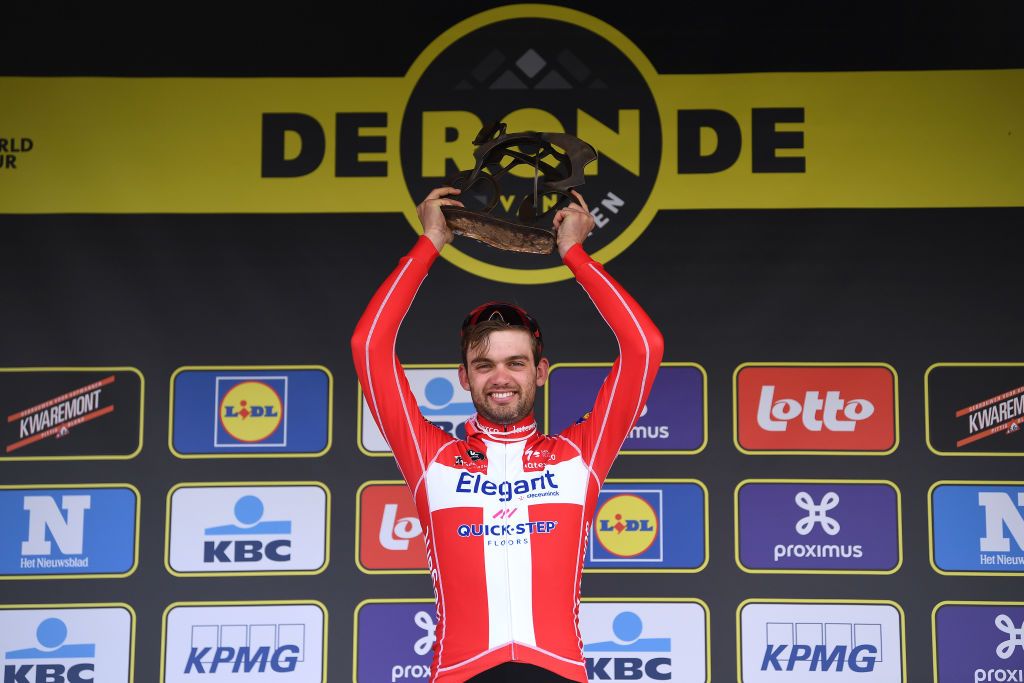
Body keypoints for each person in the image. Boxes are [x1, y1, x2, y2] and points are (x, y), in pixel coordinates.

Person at [351, 187, 663, 682]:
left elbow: (644, 346)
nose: (500, 377)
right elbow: (368, 345)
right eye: (484, 364)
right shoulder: (431, 457)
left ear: (540, 372)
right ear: (464, 377)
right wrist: (431, 239)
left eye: (515, 363)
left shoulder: (578, 454)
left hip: (558, 669)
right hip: (461, 671)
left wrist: (575, 255)